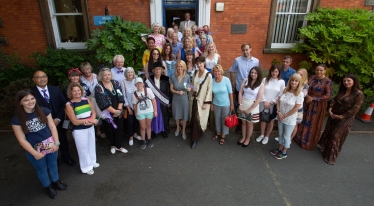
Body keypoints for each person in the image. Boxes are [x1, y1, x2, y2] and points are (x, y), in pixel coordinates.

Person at [11, 89, 68, 199]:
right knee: (41, 169)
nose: (30, 101)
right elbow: (22, 139)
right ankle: (48, 186)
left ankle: (56, 181)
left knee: (53, 164)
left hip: (50, 144)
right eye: (26, 100)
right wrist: (34, 153)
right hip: (34, 148)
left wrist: (57, 143)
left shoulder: (44, 110)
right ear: (20, 102)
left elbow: (52, 127)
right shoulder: (17, 119)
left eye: (32, 98)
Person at [31, 70, 76, 166]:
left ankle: (66, 157)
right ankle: (53, 162)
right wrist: (48, 121)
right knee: (48, 143)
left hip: (58, 121)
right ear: (34, 80)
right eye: (39, 77)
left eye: (44, 76)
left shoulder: (55, 89)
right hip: (43, 124)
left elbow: (63, 104)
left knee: (63, 139)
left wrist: (58, 118)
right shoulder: (31, 94)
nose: (42, 79)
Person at [319, 74, 364, 165]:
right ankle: (326, 149)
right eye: (344, 81)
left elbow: (355, 109)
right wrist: (330, 109)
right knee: (329, 131)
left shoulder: (359, 94)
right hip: (333, 115)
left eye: (348, 81)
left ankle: (331, 157)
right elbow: (334, 100)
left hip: (345, 118)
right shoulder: (343, 91)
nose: (346, 83)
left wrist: (342, 116)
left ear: (354, 81)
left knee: (336, 136)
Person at [294, 64, 332, 150]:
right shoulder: (312, 78)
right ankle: (299, 138)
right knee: (304, 120)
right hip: (307, 102)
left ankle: (308, 142)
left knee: (313, 122)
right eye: (317, 70)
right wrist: (307, 96)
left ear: (325, 71)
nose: (319, 72)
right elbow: (305, 87)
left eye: (321, 70)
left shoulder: (327, 81)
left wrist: (314, 98)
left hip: (318, 105)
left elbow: (328, 96)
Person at [65, 82, 99, 175]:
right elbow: (74, 121)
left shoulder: (86, 99)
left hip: (90, 127)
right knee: (83, 149)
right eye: (74, 91)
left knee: (91, 145)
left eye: (78, 90)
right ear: (70, 93)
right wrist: (89, 121)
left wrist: (92, 120)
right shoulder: (69, 104)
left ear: (81, 91)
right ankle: (86, 167)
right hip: (79, 130)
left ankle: (92, 161)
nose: (77, 93)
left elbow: (93, 112)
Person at [270, 73, 304, 159]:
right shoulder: (285, 90)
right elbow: (278, 101)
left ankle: (284, 152)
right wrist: (278, 112)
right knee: (280, 134)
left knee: (286, 136)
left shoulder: (300, 94)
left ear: (299, 83)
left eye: (296, 81)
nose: (293, 82)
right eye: (292, 80)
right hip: (280, 116)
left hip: (290, 119)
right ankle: (279, 148)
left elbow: (296, 108)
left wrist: (285, 115)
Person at [95, 67, 128, 154]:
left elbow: (121, 96)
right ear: (101, 76)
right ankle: (112, 145)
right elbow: (102, 103)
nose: (107, 76)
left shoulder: (116, 83)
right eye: (105, 75)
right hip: (107, 114)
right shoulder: (99, 87)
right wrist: (114, 111)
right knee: (109, 130)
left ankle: (119, 146)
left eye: (109, 74)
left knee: (119, 129)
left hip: (119, 111)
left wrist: (119, 110)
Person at [229, 43, 260, 134]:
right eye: (243, 50)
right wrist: (233, 82)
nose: (245, 52)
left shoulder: (256, 61)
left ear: (250, 49)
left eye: (247, 49)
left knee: (249, 105)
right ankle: (239, 127)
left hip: (251, 89)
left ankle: (248, 125)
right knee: (239, 106)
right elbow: (231, 70)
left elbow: (257, 73)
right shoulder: (237, 60)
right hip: (239, 87)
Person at [256, 65, 285, 144]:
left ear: (278, 72)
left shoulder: (281, 82)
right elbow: (261, 91)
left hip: (273, 104)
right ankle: (262, 135)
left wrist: (272, 102)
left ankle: (267, 136)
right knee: (263, 119)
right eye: (273, 71)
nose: (274, 73)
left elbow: (281, 94)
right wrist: (265, 101)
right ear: (270, 71)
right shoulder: (265, 80)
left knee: (271, 121)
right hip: (263, 102)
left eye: (276, 71)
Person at [237, 66, 264, 147]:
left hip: (253, 106)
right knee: (243, 122)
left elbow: (259, 99)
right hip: (243, 104)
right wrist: (240, 105)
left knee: (250, 123)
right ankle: (243, 137)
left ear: (258, 74)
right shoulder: (245, 80)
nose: (253, 74)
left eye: (255, 73)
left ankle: (248, 139)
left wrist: (249, 109)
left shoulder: (261, 84)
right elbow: (240, 93)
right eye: (252, 72)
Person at [189, 56, 212, 149]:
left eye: (200, 63)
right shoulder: (195, 73)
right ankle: (195, 136)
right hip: (194, 99)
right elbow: (194, 86)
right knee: (194, 118)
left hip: (202, 101)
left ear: (204, 63)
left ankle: (195, 139)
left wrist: (206, 102)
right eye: (197, 63)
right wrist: (189, 87)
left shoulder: (208, 75)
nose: (199, 65)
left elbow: (209, 89)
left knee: (199, 119)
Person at [80, 62, 105, 138]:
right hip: (86, 99)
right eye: (85, 70)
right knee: (89, 116)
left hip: (96, 98)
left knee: (97, 115)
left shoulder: (95, 76)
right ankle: (91, 133)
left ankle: (98, 131)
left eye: (88, 69)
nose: (87, 71)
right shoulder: (81, 78)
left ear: (90, 68)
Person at [146, 62, 171, 139]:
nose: (157, 70)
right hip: (153, 101)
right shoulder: (149, 80)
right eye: (156, 69)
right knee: (155, 116)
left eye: (159, 69)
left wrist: (169, 101)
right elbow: (146, 91)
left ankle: (163, 130)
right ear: (153, 70)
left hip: (163, 101)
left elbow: (168, 91)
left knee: (164, 116)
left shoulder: (166, 79)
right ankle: (155, 131)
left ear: (162, 70)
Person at [211, 64, 234, 145]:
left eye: (218, 71)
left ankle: (223, 135)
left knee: (225, 120)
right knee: (217, 119)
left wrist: (232, 104)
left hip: (226, 104)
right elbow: (212, 94)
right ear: (213, 72)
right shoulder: (212, 81)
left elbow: (230, 93)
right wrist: (211, 103)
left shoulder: (226, 80)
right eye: (215, 71)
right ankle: (218, 133)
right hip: (216, 103)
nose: (217, 73)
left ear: (221, 72)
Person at [132, 77, 157, 149]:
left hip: (149, 111)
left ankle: (149, 138)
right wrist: (135, 113)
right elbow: (134, 104)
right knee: (143, 127)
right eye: (137, 84)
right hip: (140, 112)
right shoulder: (134, 94)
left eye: (140, 83)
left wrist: (155, 111)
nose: (139, 85)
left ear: (143, 84)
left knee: (148, 126)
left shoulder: (148, 90)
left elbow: (153, 100)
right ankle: (143, 139)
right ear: (135, 85)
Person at [170, 60, 191, 140]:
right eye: (178, 66)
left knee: (184, 114)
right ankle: (178, 128)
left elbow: (189, 87)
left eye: (181, 66)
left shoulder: (187, 77)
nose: (180, 68)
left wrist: (189, 89)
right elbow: (171, 89)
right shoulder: (173, 77)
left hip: (184, 98)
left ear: (184, 67)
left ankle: (183, 131)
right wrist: (177, 92)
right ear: (176, 67)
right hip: (176, 98)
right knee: (176, 114)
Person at [123, 67, 142, 146]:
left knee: (137, 121)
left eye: (131, 72)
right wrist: (128, 108)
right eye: (128, 72)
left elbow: (141, 90)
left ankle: (135, 134)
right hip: (129, 106)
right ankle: (130, 136)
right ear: (126, 74)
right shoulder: (123, 82)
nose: (130, 74)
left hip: (138, 105)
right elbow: (124, 96)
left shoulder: (137, 80)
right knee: (130, 122)